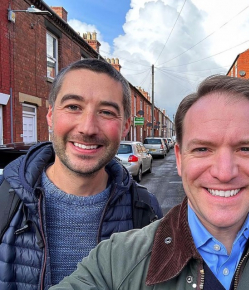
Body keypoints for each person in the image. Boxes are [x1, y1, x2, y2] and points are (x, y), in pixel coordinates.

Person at [50, 75, 249, 290]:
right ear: (179, 158)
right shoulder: (115, 262)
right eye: (203, 148)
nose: (223, 171)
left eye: (245, 148)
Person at [0, 59, 163, 290]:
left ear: (126, 126)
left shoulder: (145, 211)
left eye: (106, 112)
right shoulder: (3, 201)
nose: (87, 128)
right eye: (73, 107)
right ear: (50, 115)